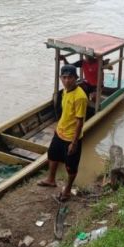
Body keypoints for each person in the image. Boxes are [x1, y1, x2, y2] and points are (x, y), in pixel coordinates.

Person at [38, 64, 88, 201]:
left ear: (76, 78)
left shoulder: (80, 97)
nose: (66, 81)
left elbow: (79, 121)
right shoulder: (65, 91)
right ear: (60, 78)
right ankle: (51, 179)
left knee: (70, 166)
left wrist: (74, 142)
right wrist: (58, 126)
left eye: (70, 78)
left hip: (71, 137)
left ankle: (67, 190)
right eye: (64, 78)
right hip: (60, 132)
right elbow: (66, 113)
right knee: (52, 155)